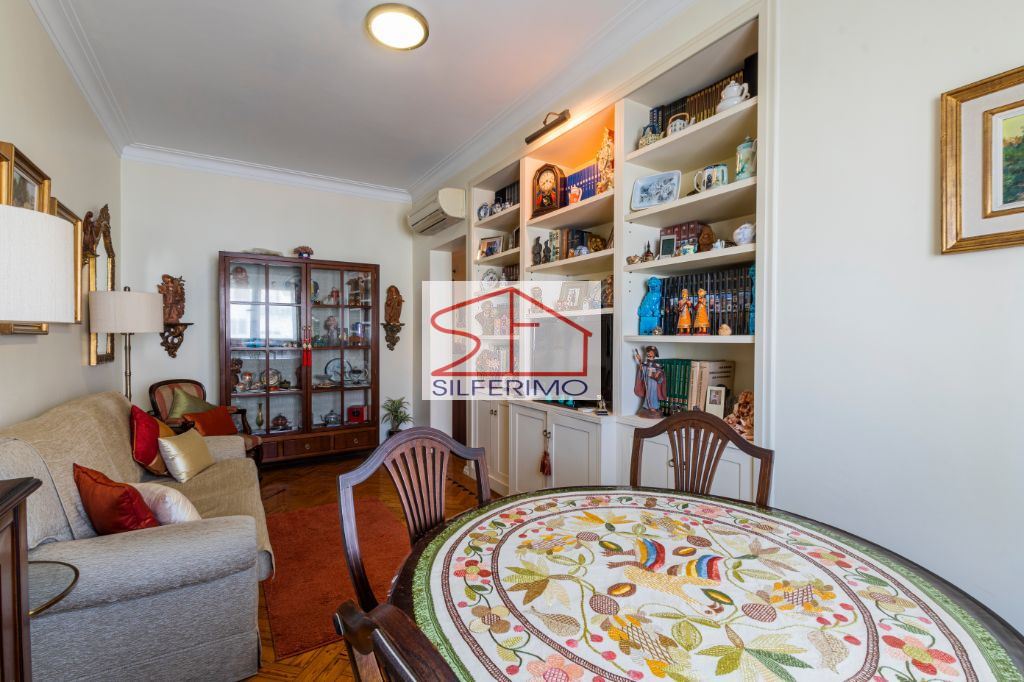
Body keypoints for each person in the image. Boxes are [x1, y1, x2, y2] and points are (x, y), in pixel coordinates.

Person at [633, 346, 667, 418]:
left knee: (653, 394)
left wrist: (657, 374)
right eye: (648, 352)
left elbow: (660, 374)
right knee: (648, 394)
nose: (649, 353)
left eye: (651, 352)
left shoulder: (657, 365)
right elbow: (642, 372)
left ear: (654, 354)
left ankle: (654, 406)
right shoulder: (645, 364)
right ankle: (647, 406)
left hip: (654, 383)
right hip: (648, 382)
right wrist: (641, 368)